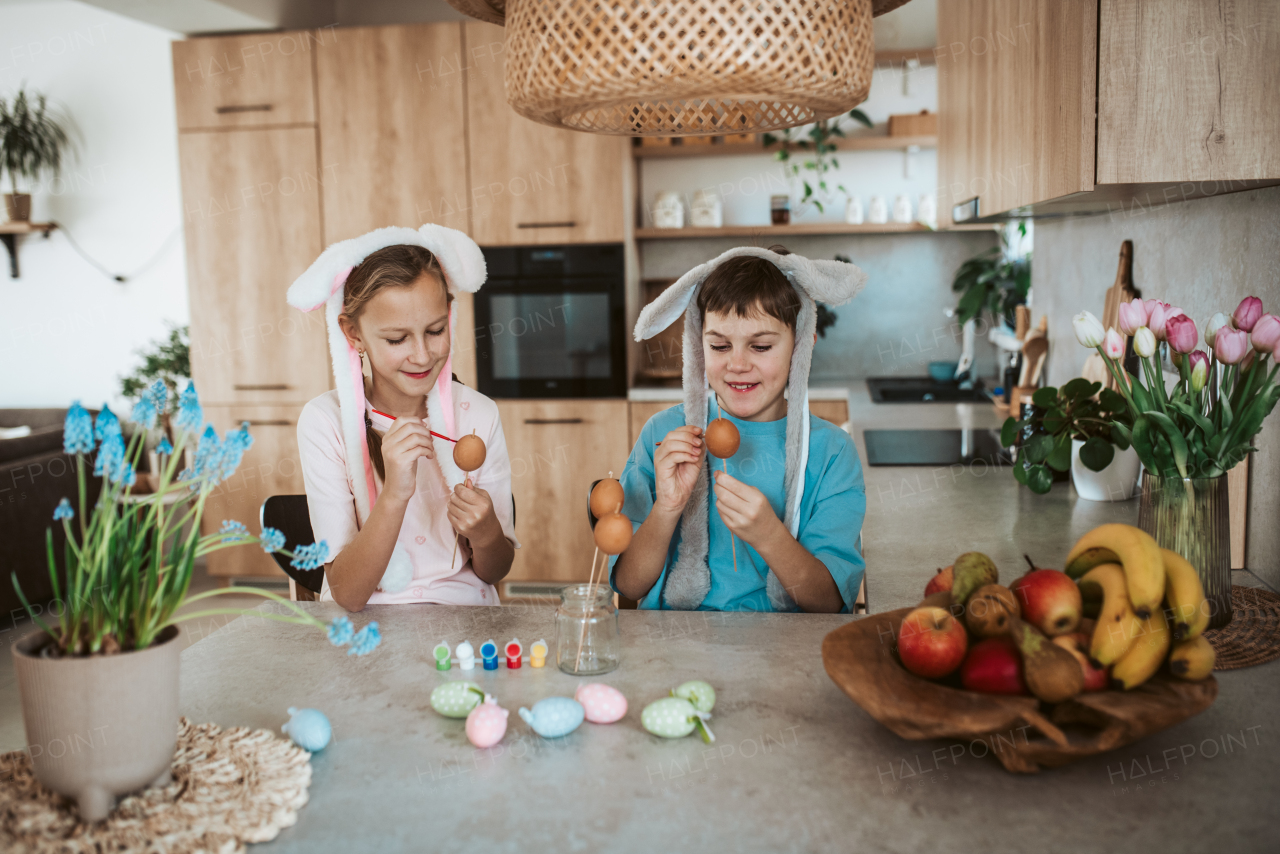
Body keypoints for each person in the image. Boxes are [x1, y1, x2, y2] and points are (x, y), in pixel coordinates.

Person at [611, 246, 866, 613]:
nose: (737, 364)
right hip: (676, 652)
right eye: (719, 345)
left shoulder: (832, 453)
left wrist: (769, 536)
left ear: (801, 344)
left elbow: (826, 603)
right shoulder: (663, 436)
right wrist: (667, 507)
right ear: (698, 346)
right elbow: (629, 586)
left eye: (760, 346)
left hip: (785, 654)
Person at [286, 225, 517, 611]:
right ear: (353, 334)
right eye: (397, 339)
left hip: (463, 616)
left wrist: (487, 531)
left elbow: (496, 570)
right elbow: (348, 594)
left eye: (435, 330)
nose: (423, 355)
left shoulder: (477, 414)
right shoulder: (324, 422)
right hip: (367, 625)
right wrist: (394, 493)